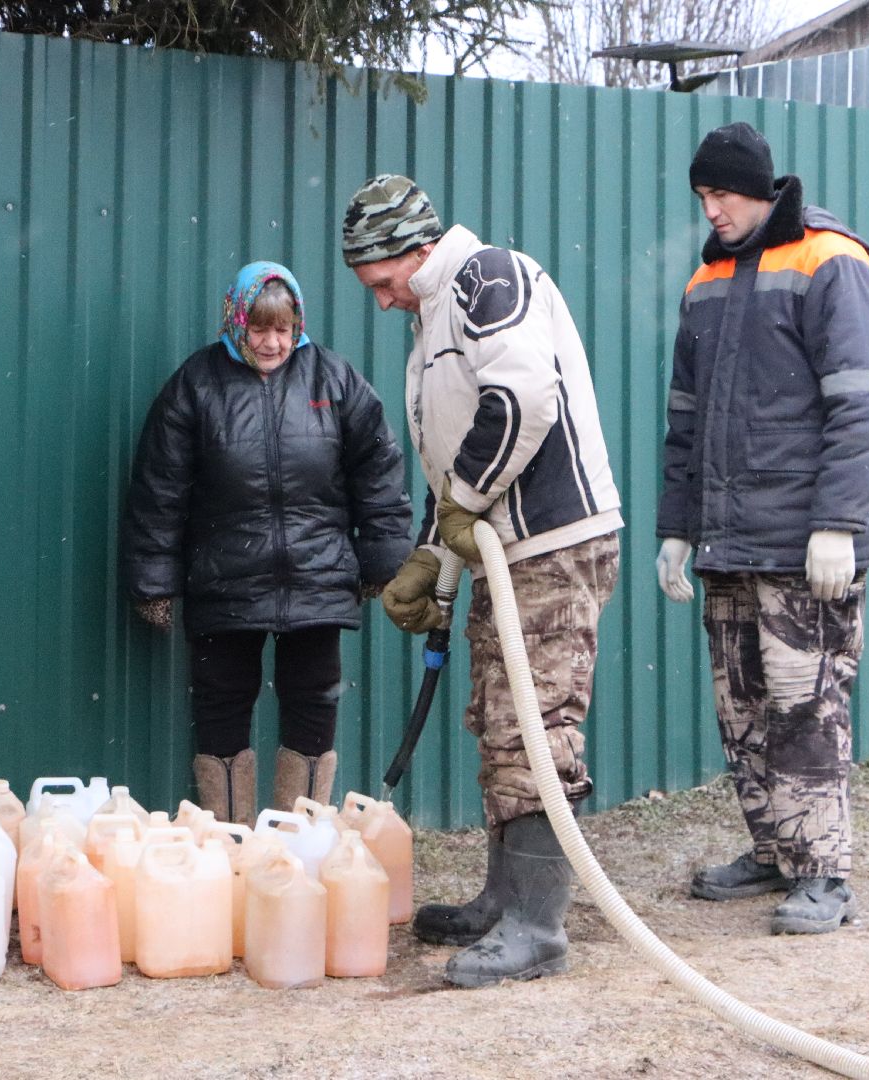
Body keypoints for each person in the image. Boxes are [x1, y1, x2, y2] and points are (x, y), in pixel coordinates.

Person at [343, 174, 621, 988]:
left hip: (552, 544)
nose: (383, 301)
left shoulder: (483, 276)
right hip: (507, 546)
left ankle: (538, 928)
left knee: (534, 728)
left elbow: (525, 394)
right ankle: (504, 902)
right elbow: (456, 458)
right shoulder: (436, 313)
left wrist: (457, 512)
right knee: (500, 721)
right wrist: (434, 556)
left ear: (414, 249)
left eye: (384, 283)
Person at [657, 122, 869, 935]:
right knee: (743, 705)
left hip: (805, 544)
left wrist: (840, 525)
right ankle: (774, 851)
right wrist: (678, 527)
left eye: (719, 193)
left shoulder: (831, 261)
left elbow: (862, 402)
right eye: (701, 196)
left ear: (759, 189)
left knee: (806, 704)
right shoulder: (707, 278)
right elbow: (685, 417)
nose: (710, 208)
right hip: (728, 537)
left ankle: (824, 873)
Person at [121, 261, 412, 824]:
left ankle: (296, 839)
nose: (273, 342)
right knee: (222, 705)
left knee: (313, 703)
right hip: (226, 578)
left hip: (318, 577)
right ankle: (228, 841)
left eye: (284, 329)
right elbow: (159, 489)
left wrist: (382, 557)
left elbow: (378, 470)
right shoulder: (195, 385)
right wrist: (153, 582)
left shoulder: (334, 379)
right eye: (259, 329)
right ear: (235, 321)